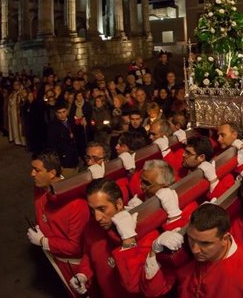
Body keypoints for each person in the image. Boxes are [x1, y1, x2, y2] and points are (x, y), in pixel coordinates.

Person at [140, 203, 243, 297]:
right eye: (191, 239)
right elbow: (154, 292)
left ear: (225, 238)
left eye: (205, 243)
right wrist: (154, 251)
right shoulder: (185, 254)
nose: (195, 250)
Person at [70, 179, 155, 297]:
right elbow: (89, 254)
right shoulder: (91, 226)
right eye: (92, 210)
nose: (97, 217)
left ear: (119, 204)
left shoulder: (145, 231)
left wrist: (128, 241)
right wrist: (83, 274)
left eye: (102, 209)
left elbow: (136, 285)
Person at [28, 151, 90, 290]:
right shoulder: (39, 187)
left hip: (71, 265)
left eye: (37, 170)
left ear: (52, 173)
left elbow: (75, 247)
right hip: (52, 255)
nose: (32, 174)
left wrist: (43, 242)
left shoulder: (76, 204)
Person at [46, 103, 79, 178]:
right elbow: (52, 144)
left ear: (67, 111)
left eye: (64, 112)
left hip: (74, 155)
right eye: (59, 113)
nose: (62, 115)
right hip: (63, 157)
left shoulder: (71, 120)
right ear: (56, 113)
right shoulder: (52, 126)